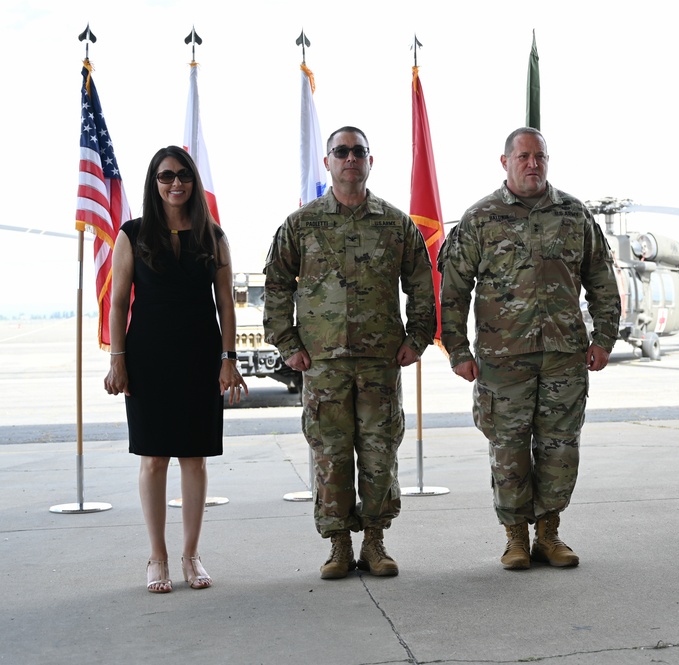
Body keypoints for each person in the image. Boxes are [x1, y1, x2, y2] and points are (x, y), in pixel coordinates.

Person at [438, 127, 621, 570]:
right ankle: (516, 537)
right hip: (503, 360)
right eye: (523, 156)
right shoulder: (480, 218)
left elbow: (602, 281)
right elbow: (453, 291)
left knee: (560, 448)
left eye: (539, 156)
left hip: (564, 356)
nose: (532, 164)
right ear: (505, 162)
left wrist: (603, 338)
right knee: (510, 449)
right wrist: (458, 350)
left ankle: (549, 534)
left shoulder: (574, 214)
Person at [263, 126, 436, 580]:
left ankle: (375, 543)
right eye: (341, 151)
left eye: (358, 151)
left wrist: (416, 338)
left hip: (381, 362)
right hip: (322, 365)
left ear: (370, 160)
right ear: (328, 163)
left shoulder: (395, 224)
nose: (350, 158)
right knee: (331, 456)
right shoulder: (301, 225)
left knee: (380, 454)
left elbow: (421, 284)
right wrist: (288, 344)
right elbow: (276, 286)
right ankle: (339, 545)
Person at [104, 145, 247, 593]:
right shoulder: (132, 234)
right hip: (148, 358)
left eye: (183, 175)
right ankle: (157, 557)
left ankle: (190, 555)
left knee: (194, 458)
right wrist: (118, 360)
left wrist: (228, 360)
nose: (176, 183)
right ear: (155, 182)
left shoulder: (212, 236)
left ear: (193, 181)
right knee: (153, 458)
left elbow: (226, 304)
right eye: (166, 176)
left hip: (200, 357)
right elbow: (118, 301)